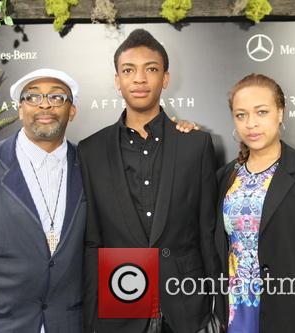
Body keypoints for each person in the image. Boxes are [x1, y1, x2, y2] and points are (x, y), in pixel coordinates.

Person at [78, 29, 221, 333]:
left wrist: (217, 305)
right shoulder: (90, 151)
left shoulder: (195, 145)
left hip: (185, 304)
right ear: (117, 80)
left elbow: (207, 232)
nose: (139, 79)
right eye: (129, 70)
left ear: (165, 78)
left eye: (151, 69)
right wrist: (89, 319)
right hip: (120, 300)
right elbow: (93, 241)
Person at [0, 69, 85, 332]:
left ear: (72, 111)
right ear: (20, 109)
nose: (45, 104)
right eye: (33, 97)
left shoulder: (89, 166)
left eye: (57, 97)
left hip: (69, 323)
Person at [214, 73, 295, 333]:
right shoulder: (225, 177)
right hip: (235, 309)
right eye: (241, 115)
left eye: (262, 112)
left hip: (288, 310)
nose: (251, 124)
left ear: (280, 113)